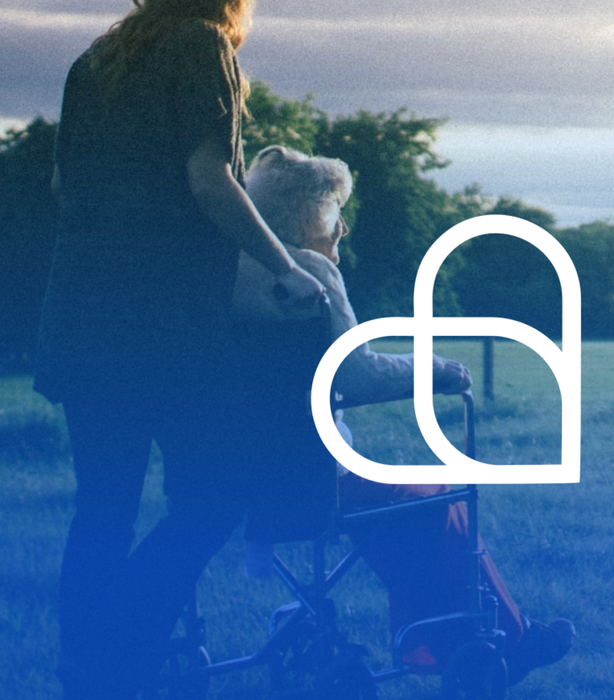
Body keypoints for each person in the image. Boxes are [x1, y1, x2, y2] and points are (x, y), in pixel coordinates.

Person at [37, 1, 322, 697]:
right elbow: (210, 180)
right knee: (216, 494)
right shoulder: (200, 46)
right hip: (161, 324)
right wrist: (287, 267)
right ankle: (122, 649)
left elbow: (61, 186)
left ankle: (86, 671)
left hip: (80, 315)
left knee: (103, 506)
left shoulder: (95, 61)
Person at [235, 145, 573, 684]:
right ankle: (498, 639)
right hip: (312, 480)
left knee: (406, 504)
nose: (341, 226)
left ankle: (453, 641)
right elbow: (357, 375)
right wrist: (437, 368)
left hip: (240, 481)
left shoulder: (231, 274)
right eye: (331, 210)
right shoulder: (309, 274)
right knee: (438, 497)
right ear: (302, 214)